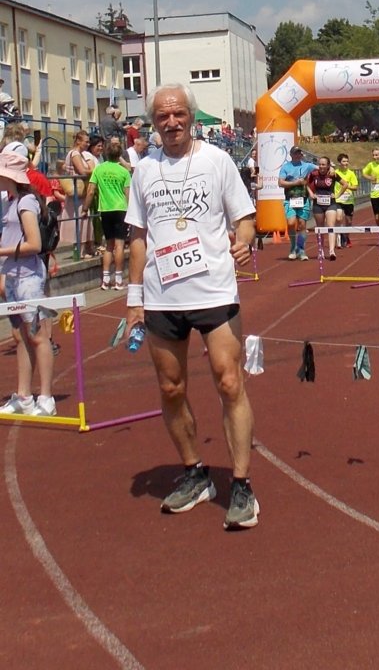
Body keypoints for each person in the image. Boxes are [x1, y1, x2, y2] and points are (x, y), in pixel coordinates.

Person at [125, 82, 259, 530]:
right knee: (171, 388)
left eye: (178, 113)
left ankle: (241, 484)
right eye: (163, 116)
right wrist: (134, 300)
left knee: (229, 381)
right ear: (154, 122)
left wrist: (244, 242)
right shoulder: (144, 170)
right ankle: (195, 473)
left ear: (191, 116)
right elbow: (138, 237)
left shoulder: (217, 161)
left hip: (214, 291)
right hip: (162, 297)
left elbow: (245, 218)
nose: (172, 122)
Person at [0, 152, 56, 416]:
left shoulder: (26, 202)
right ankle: (24, 396)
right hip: (13, 275)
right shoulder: (11, 202)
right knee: (21, 335)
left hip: (28, 276)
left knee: (37, 336)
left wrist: (1, 252)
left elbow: (34, 244)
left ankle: (46, 397)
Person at [82, 143, 131, 290]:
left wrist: (85, 208)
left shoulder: (99, 169)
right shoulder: (124, 172)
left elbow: (91, 190)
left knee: (109, 245)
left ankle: (105, 279)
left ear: (106, 154)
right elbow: (128, 194)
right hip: (121, 209)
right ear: (119, 156)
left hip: (105, 210)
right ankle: (118, 279)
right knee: (120, 245)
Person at [59, 130, 96, 258]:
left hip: (80, 192)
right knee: (80, 219)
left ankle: (82, 250)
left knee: (83, 219)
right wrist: (93, 170)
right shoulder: (75, 154)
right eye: (86, 142)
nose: (88, 144)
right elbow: (82, 171)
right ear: (79, 141)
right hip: (77, 192)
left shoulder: (78, 154)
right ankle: (80, 251)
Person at [278, 146, 317, 260]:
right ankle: (293, 246)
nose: (297, 155)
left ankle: (301, 249)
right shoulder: (286, 167)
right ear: (291, 155)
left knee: (302, 224)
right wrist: (295, 183)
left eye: (299, 153)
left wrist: (331, 169)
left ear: (301, 155)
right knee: (291, 223)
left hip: (303, 199)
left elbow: (321, 168)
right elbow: (280, 183)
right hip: (290, 199)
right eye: (295, 153)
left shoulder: (307, 166)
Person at [306, 156, 348, 260]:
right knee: (320, 227)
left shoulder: (332, 174)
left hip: (330, 203)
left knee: (330, 226)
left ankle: (332, 251)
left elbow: (345, 184)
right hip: (318, 204)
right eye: (320, 164)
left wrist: (337, 195)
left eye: (323, 164)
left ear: (328, 165)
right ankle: (320, 250)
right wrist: (311, 194)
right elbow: (305, 184)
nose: (321, 166)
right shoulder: (314, 174)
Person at [334, 153, 359, 247]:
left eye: (347, 161)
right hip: (338, 199)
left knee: (348, 221)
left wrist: (346, 186)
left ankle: (346, 237)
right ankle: (340, 236)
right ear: (339, 163)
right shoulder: (335, 173)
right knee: (339, 218)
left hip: (348, 200)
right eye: (344, 161)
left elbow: (355, 187)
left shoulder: (351, 173)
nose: (346, 163)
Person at [362, 147, 379, 231]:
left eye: (376, 155)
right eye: (373, 155)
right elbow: (364, 173)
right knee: (377, 217)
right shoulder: (371, 164)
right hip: (374, 193)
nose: (374, 157)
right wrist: (370, 177)